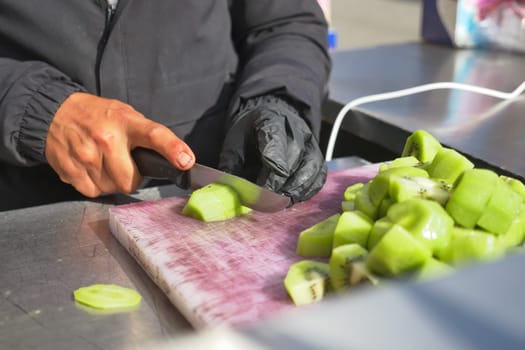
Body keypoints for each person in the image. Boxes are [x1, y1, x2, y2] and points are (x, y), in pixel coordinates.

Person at [0, 0, 331, 211]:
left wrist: (278, 101)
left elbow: (286, 22)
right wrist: (37, 110)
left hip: (202, 216)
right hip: (23, 214)